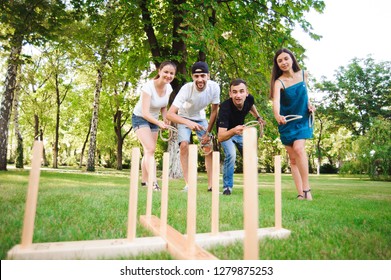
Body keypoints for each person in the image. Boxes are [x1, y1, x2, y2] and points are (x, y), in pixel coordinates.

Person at [166, 61, 220, 192]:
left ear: (208, 75)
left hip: (200, 118)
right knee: (184, 145)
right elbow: (170, 114)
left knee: (208, 147)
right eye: (196, 76)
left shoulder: (214, 87)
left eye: (203, 76)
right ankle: (188, 184)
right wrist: (188, 123)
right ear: (192, 77)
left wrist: (208, 132)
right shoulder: (186, 89)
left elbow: (214, 111)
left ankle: (211, 185)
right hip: (184, 117)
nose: (200, 79)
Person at [270, 48, 315, 200]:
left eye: (286, 59)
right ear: (277, 64)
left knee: (299, 148)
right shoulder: (279, 82)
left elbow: (306, 96)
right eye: (280, 61)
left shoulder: (303, 74)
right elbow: (275, 102)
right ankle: (300, 193)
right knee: (293, 159)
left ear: (292, 59)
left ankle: (307, 189)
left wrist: (310, 106)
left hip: (302, 120)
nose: (283, 62)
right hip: (287, 122)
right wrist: (277, 115)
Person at [132, 61, 177, 191]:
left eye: (171, 73)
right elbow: (145, 112)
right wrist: (159, 123)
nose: (168, 75)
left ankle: (144, 181)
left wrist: (165, 118)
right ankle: (154, 183)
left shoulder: (169, 88)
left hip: (155, 120)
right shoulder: (148, 87)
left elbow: (163, 105)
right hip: (140, 118)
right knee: (150, 149)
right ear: (159, 72)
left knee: (148, 151)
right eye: (166, 72)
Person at [217, 79, 266, 195]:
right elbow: (220, 136)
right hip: (227, 133)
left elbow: (251, 106)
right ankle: (227, 187)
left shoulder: (249, 99)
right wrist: (233, 130)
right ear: (230, 94)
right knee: (231, 154)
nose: (238, 95)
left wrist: (258, 117)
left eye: (241, 91)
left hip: (240, 133)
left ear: (246, 93)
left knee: (251, 157)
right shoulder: (225, 108)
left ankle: (251, 187)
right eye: (234, 92)